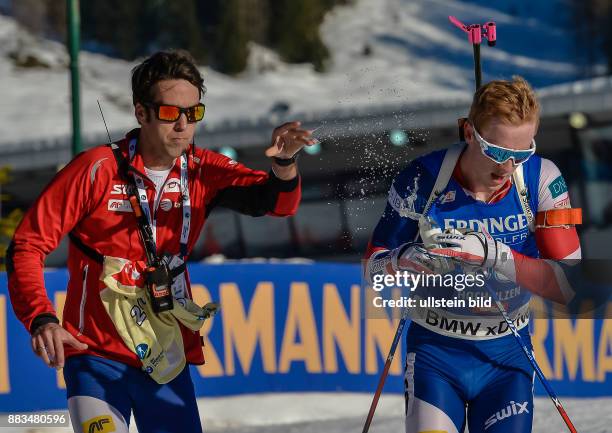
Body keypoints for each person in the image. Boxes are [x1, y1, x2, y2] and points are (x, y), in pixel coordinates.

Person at [7, 50, 315, 433]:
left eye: (194, 113)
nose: (183, 125)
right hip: (94, 355)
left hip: (165, 355)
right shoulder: (96, 170)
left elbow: (276, 204)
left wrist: (284, 164)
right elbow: (27, 245)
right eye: (171, 113)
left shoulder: (204, 170)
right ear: (142, 113)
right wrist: (42, 318)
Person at [365, 76, 581, 433]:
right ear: (469, 133)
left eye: (520, 153)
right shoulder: (423, 180)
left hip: (506, 354)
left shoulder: (541, 179)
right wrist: (408, 260)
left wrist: (493, 255)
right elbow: (375, 271)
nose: (507, 168)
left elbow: (568, 287)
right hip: (436, 351)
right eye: (496, 151)